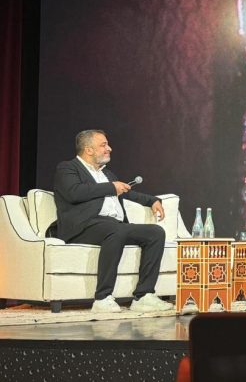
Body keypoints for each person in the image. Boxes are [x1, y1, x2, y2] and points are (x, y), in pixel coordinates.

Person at [52, 130, 174, 313]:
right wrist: (111, 187)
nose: (109, 148)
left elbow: (127, 192)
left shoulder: (107, 174)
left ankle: (144, 296)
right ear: (89, 150)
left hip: (112, 226)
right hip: (83, 226)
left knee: (155, 233)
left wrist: (152, 201)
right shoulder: (68, 168)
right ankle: (102, 298)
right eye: (103, 145)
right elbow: (74, 193)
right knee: (115, 230)